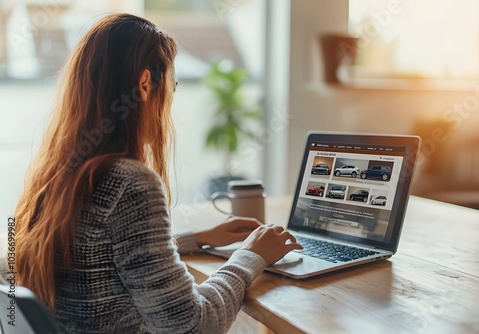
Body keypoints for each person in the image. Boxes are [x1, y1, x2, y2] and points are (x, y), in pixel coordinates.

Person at [11, 13, 302, 333]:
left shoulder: (59, 175)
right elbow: (194, 327)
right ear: (146, 83)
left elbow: (108, 256)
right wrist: (250, 256)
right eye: (173, 85)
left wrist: (196, 240)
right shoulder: (129, 184)